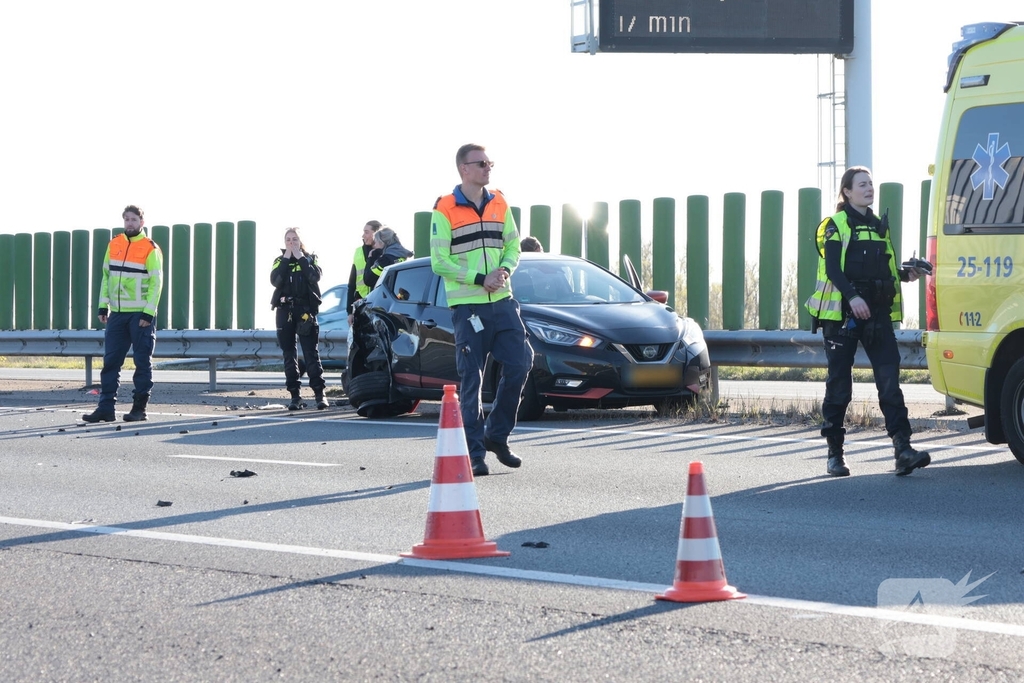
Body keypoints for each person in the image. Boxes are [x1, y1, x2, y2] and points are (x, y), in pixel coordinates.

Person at [805, 166, 931, 477]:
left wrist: (907, 274)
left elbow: (885, 271)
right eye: (862, 184)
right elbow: (833, 269)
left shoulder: (879, 227)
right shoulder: (835, 225)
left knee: (889, 382)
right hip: (842, 317)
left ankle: (903, 449)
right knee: (839, 387)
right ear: (847, 191)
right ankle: (835, 453)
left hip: (877, 314)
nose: (869, 188)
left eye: (871, 183)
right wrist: (853, 298)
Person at [430, 143, 534, 477]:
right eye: (481, 163)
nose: (488, 167)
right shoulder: (444, 209)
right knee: (471, 380)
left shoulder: (499, 201)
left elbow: (514, 245)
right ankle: (474, 452)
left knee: (521, 362)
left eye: (490, 162)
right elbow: (439, 262)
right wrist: (479, 278)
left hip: (502, 301)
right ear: (464, 168)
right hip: (467, 306)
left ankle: (497, 435)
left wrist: (504, 271)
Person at [83, 205, 164, 423]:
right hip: (117, 314)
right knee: (110, 363)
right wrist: (102, 306)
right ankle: (106, 409)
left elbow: (156, 283)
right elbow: (105, 277)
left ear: (141, 223)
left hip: (140, 314)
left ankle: (139, 409)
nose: (130, 223)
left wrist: (148, 312)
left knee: (142, 362)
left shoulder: (150, 248)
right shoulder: (114, 243)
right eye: (127, 219)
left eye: (134, 219)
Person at [271, 227, 328, 410]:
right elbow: (276, 281)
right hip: (285, 311)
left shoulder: (310, 258)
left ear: (300, 241)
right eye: (288, 239)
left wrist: (301, 257)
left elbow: (314, 276)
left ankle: (320, 394)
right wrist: (287, 258)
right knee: (289, 354)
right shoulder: (279, 261)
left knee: (311, 353)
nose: (291, 242)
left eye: (294, 239)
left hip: (305, 311)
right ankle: (295, 396)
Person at [347, 220, 381, 326]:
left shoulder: (385, 253)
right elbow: (351, 285)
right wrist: (349, 312)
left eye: (366, 232)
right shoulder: (358, 252)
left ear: (376, 233)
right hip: (361, 306)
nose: (363, 235)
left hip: (379, 307)